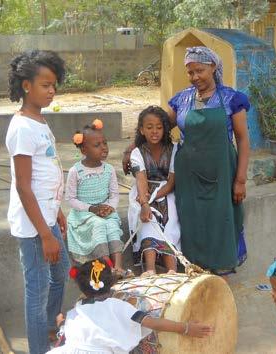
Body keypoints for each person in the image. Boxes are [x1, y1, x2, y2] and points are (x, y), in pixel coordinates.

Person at [123, 46, 250, 276]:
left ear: (213, 67)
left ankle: (218, 271)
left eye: (199, 70)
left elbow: (242, 140)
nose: (195, 77)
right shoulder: (182, 99)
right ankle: (195, 270)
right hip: (188, 176)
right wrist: (132, 148)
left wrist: (240, 179)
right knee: (191, 222)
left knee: (220, 220)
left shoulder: (232, 99)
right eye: (190, 72)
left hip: (222, 174)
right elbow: (158, 126)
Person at [6, 50, 70, 354]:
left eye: (54, 84)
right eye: (45, 85)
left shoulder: (39, 120)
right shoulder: (22, 127)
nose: (51, 90)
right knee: (39, 288)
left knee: (61, 270)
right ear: (26, 85)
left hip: (46, 217)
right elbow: (23, 185)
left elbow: (46, 172)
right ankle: (39, 348)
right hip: (34, 228)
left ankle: (48, 329)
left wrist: (56, 211)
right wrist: (45, 234)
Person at [46, 258, 213, 354]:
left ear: (82, 288)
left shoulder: (78, 307)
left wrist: (61, 321)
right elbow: (153, 323)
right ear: (112, 282)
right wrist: (185, 328)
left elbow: (69, 328)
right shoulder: (119, 306)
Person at [65, 121, 129, 278]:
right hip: (84, 214)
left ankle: (118, 267)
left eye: (105, 143)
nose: (104, 147)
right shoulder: (76, 171)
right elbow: (71, 199)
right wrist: (91, 209)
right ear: (83, 149)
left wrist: (110, 207)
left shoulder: (109, 170)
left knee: (112, 225)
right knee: (99, 225)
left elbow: (114, 194)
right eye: (97, 145)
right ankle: (107, 266)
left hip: (105, 211)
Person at [127, 106, 180, 276]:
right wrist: (144, 203)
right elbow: (141, 179)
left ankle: (171, 269)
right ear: (142, 130)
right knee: (147, 220)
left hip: (167, 191)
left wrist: (156, 197)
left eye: (159, 127)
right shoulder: (137, 152)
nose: (154, 132)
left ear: (165, 128)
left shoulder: (174, 149)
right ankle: (150, 269)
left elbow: (171, 183)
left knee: (171, 217)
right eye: (149, 127)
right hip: (144, 193)